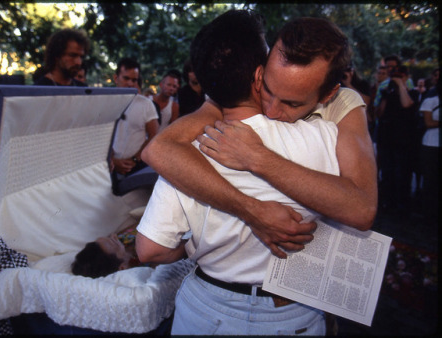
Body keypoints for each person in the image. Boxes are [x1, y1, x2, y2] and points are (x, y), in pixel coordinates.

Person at [136, 10, 345, 335]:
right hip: (290, 314)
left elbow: (150, 249)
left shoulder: (184, 154)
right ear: (260, 75)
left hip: (206, 311)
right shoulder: (324, 136)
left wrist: (198, 246)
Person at [142, 16, 377, 258]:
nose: (272, 111)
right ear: (260, 71)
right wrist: (251, 211)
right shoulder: (225, 99)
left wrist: (257, 157)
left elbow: (362, 209)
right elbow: (158, 149)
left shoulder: (343, 104)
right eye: (267, 88)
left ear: (327, 94)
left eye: (292, 103)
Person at [110, 58, 159, 192]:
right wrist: (112, 160)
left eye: (134, 80)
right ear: (116, 78)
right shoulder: (106, 102)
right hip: (108, 167)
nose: (131, 83)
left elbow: (154, 136)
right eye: (126, 78)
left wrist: (135, 159)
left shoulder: (146, 104)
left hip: (137, 167)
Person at [376, 65, 418, 216]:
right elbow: (379, 113)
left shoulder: (413, 92)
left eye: (401, 76)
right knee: (388, 173)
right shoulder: (387, 92)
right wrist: (386, 95)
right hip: (387, 139)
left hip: (404, 140)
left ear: (406, 77)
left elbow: (407, 104)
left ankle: (402, 204)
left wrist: (401, 85)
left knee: (402, 173)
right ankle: (388, 202)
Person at [72, 230, 139, 278]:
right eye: (114, 242)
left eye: (109, 237)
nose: (114, 235)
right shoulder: (142, 270)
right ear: (122, 267)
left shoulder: (125, 238)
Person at [418, 80, 439, 225]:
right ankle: (428, 215)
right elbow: (428, 122)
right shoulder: (431, 100)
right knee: (430, 181)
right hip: (431, 145)